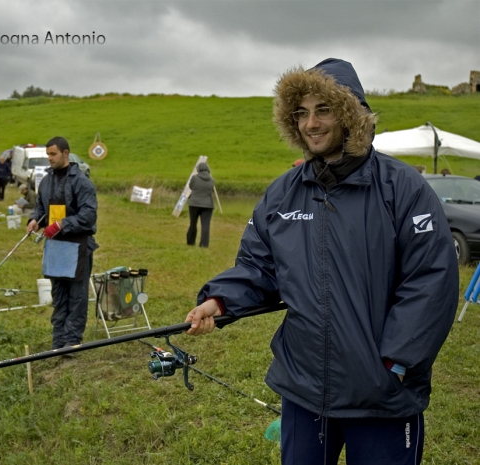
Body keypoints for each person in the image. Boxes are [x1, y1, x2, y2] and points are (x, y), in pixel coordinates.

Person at [185, 58, 458, 465]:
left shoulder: (403, 188)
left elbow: (431, 280)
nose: (310, 123)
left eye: (323, 110)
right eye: (301, 113)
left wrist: (395, 364)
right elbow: (258, 267)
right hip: (303, 388)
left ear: (350, 114)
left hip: (381, 392)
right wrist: (218, 301)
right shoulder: (282, 194)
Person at [27, 136, 98, 350]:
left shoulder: (82, 182)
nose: (49, 158)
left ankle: (72, 341)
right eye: (47, 154)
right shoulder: (46, 181)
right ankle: (58, 341)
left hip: (77, 247)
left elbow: (88, 214)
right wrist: (34, 219)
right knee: (58, 296)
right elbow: (41, 208)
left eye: (53, 154)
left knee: (76, 297)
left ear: (65, 154)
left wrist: (62, 225)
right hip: (55, 248)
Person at [186, 162, 214, 248]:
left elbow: (191, 187)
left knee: (193, 223)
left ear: (198, 169)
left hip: (194, 203)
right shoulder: (211, 179)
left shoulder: (194, 178)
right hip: (208, 205)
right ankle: (204, 244)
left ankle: (191, 242)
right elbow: (211, 190)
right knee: (205, 225)